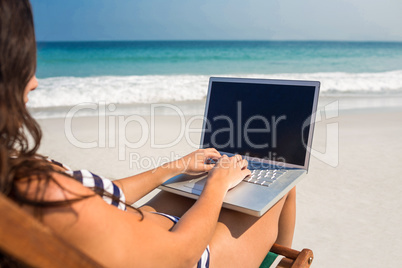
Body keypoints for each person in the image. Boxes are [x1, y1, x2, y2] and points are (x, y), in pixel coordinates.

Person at [0, 1, 296, 267]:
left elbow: (98, 196)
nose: (35, 81)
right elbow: (182, 255)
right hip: (191, 254)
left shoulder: (12, 171)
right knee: (282, 179)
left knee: (263, 168)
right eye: (23, 65)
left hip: (143, 230)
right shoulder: (41, 191)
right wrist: (216, 187)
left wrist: (173, 168)